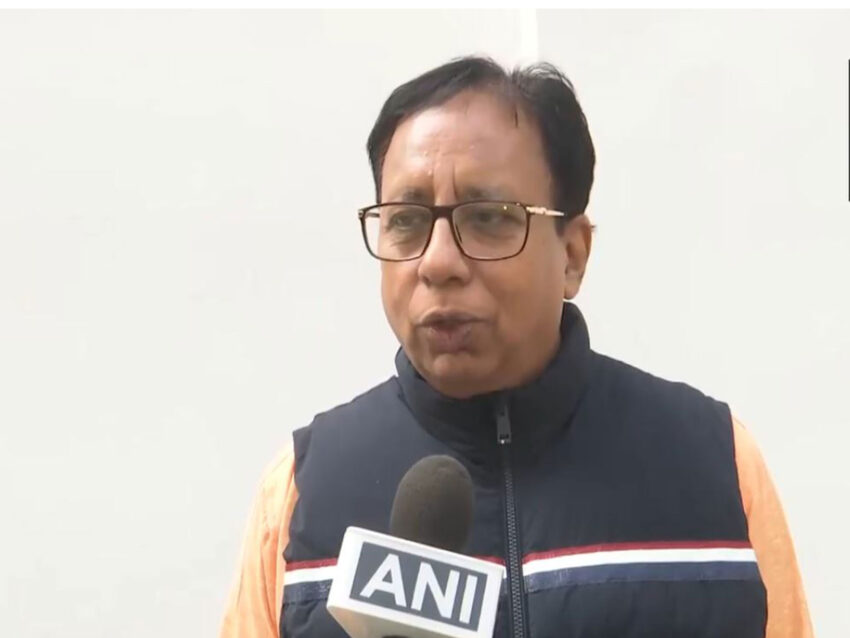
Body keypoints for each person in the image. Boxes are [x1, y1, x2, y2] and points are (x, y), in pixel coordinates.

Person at [219, 56, 813, 638]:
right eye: (406, 220)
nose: (438, 262)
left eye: (488, 217)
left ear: (572, 254)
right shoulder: (303, 491)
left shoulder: (715, 466)